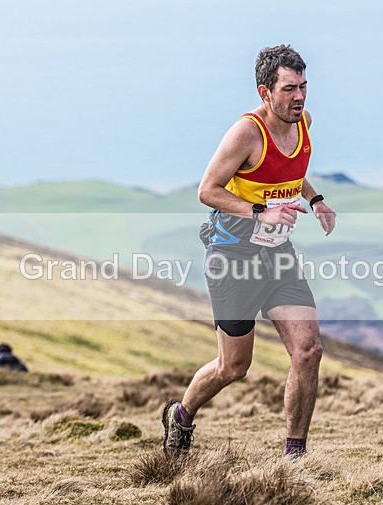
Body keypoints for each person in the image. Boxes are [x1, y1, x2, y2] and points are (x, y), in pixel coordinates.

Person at [162, 45, 336, 458]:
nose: (300, 97)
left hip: (277, 257)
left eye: (304, 86)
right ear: (265, 92)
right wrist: (262, 213)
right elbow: (207, 191)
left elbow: (291, 171)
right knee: (234, 367)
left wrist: (314, 200)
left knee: (309, 351)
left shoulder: (303, 122)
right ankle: (181, 416)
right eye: (289, 88)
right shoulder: (245, 133)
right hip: (232, 259)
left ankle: (294, 457)